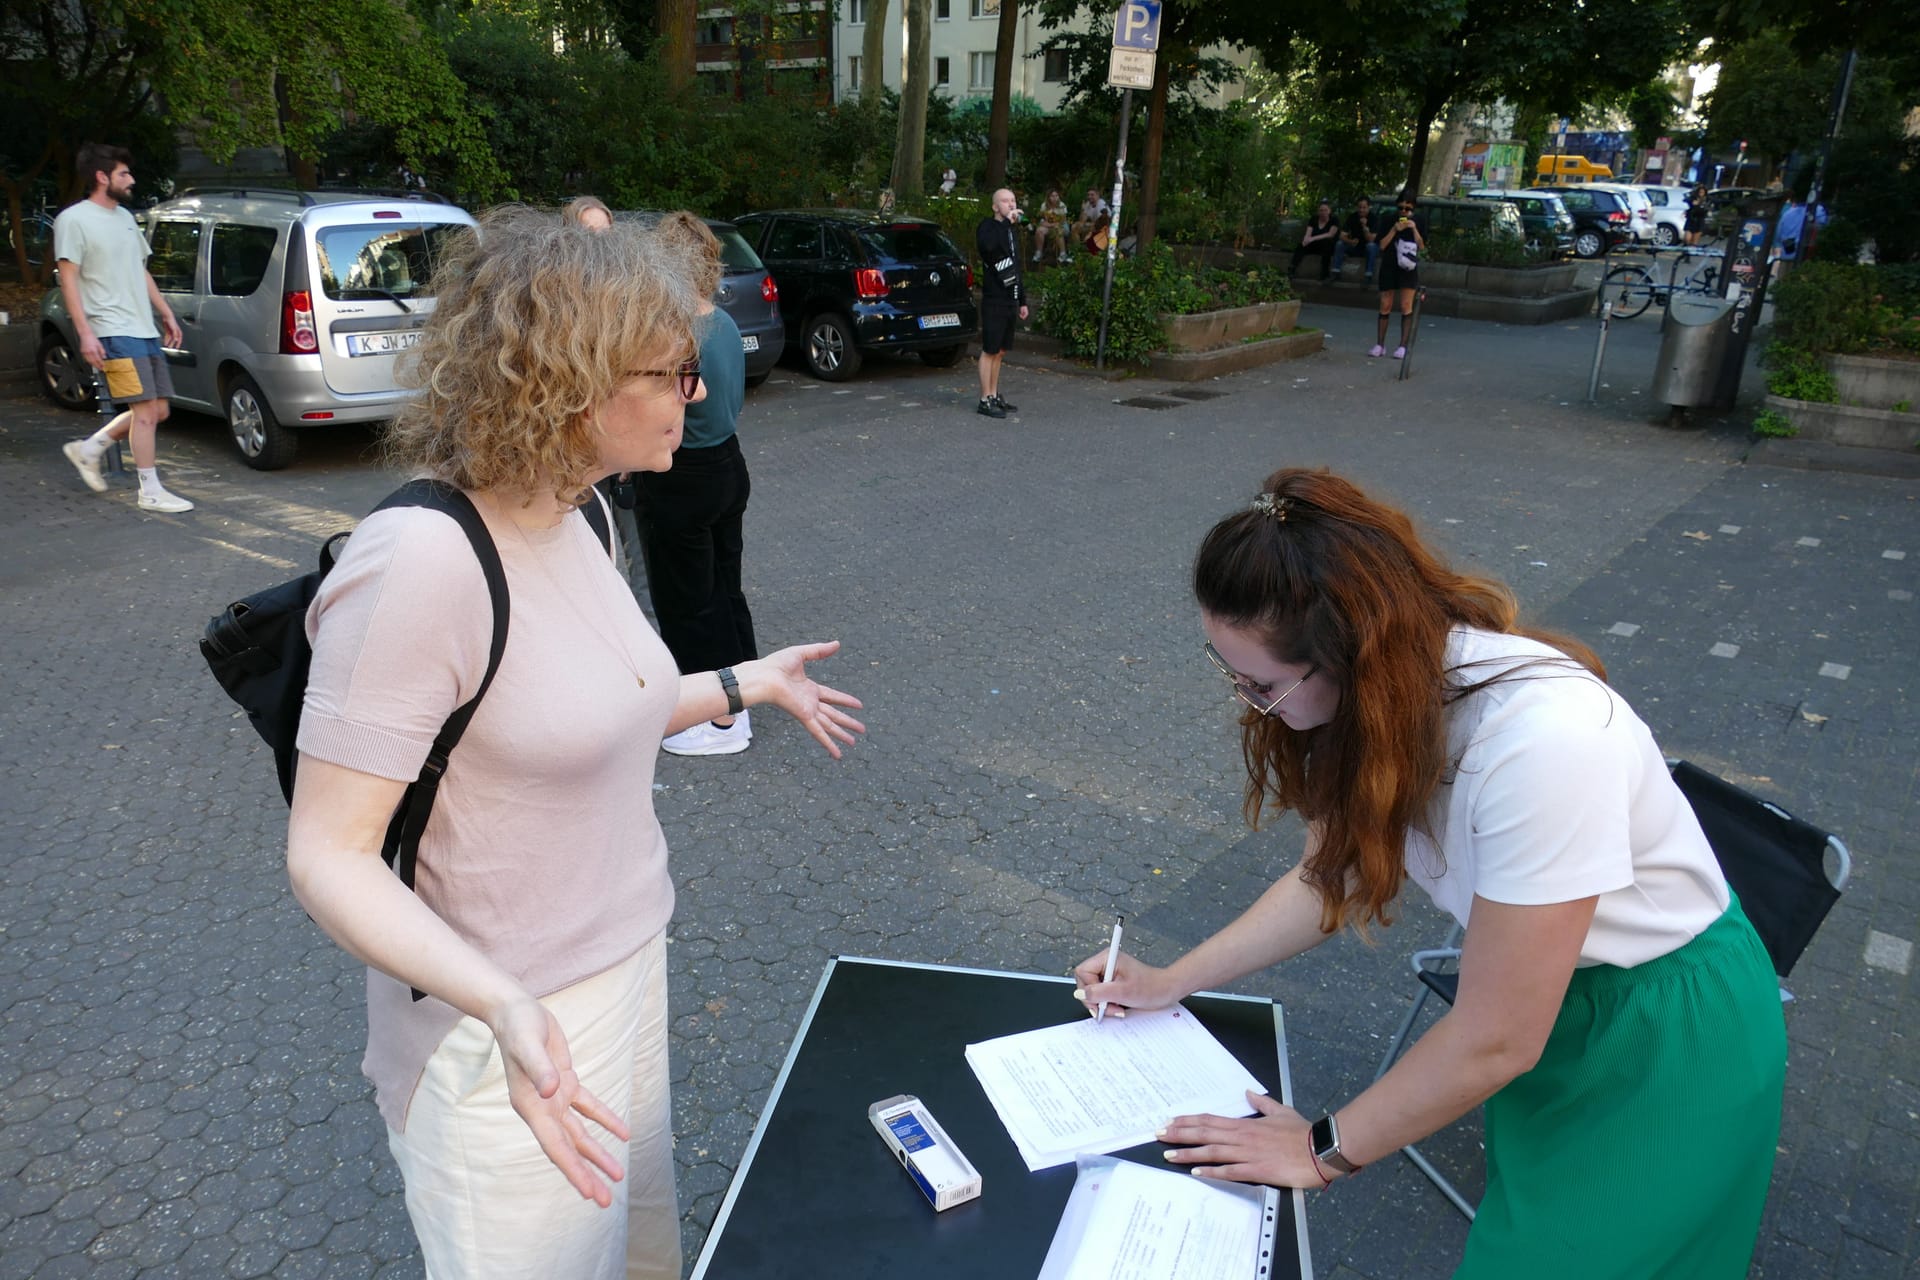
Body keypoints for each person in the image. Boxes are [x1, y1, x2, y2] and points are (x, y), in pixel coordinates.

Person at [286, 208, 865, 1279]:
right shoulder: (421, 562)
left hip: (625, 976)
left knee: (642, 1257)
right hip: (499, 1028)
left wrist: (750, 681)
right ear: (570, 381)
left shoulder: (583, 513)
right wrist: (501, 1000)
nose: (698, 391)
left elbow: (601, 708)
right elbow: (326, 853)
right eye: (674, 367)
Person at [1073, 468, 1785, 1280]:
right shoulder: (1384, 701)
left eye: (1261, 684)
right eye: (1228, 667)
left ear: (1350, 654)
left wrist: (1321, 1152)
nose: (1247, 700)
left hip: (1665, 1029)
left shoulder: (1544, 744)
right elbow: (1329, 875)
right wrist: (1171, 979)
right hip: (1557, 1008)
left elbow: (1496, 1037)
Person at [637, 213, 762, 757]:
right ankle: (746, 693)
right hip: (729, 466)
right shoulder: (726, 323)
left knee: (689, 600)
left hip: (684, 474)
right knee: (724, 586)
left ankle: (718, 721)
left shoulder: (673, 334)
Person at [55, 142, 193, 513]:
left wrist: (164, 311)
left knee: (159, 410)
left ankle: (89, 448)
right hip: (112, 329)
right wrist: (85, 333)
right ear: (102, 177)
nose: (131, 180)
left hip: (142, 327)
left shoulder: (126, 218)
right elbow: (68, 279)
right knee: (145, 412)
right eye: (123, 174)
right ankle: (149, 490)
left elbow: (140, 269)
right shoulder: (74, 220)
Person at [974, 188, 1027, 420]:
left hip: (1009, 299)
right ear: (996, 207)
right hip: (994, 299)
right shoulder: (988, 227)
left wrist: (1022, 300)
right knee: (990, 349)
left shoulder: (1011, 232)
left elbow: (1015, 267)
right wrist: (1006, 224)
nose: (1010, 204)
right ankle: (984, 398)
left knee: (1001, 351)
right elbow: (989, 248)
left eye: (1013, 200)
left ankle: (994, 394)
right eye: (1005, 201)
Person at [1372, 195, 1425, 359]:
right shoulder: (1388, 220)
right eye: (1400, 208)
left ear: (1413, 209)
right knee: (1385, 303)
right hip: (1389, 265)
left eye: (1408, 209)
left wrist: (1413, 228)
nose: (1404, 211)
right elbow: (1381, 244)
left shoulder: (1419, 221)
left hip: (1407, 267)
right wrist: (1395, 229)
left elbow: (1422, 246)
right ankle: (1380, 344)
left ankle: (1403, 346)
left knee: (1405, 305)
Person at [1330, 195, 1378, 284]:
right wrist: (1350, 241)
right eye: (1359, 207)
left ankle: (1368, 276)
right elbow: (1341, 235)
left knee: (1371, 246)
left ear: (1368, 207)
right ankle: (1336, 272)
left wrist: (1364, 227)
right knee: (1340, 244)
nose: (1361, 210)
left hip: (1367, 248)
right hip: (1355, 246)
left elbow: (1371, 239)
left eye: (1364, 207)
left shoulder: (1374, 219)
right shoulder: (1352, 217)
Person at [1289, 200, 1340, 281]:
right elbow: (1308, 232)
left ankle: (1324, 274)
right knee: (1301, 245)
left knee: (1327, 244)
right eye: (1321, 210)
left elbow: (1330, 234)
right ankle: (1292, 269)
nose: (1323, 212)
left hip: (1327, 246)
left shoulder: (1334, 220)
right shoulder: (1314, 219)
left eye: (1325, 210)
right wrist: (1305, 240)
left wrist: (1313, 238)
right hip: (1315, 245)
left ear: (1329, 211)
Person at [1034, 189, 1071, 264]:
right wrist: (1051, 225)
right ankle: (1039, 253)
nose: (1054, 198)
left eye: (1056, 196)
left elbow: (1062, 221)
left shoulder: (1062, 205)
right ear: (1048, 197)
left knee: (1057, 230)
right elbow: (1042, 221)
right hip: (1049, 226)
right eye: (1052, 196)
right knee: (1039, 230)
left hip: (1062, 227)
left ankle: (1063, 254)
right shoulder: (1044, 205)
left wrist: (1053, 225)